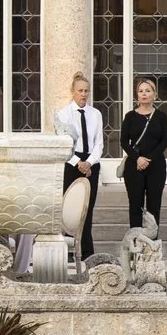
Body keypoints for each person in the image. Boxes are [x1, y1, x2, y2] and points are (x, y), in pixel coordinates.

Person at [51, 73, 103, 261]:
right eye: (80, 90)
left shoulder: (95, 114)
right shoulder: (64, 114)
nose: (83, 94)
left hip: (91, 163)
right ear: (72, 92)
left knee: (87, 208)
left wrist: (89, 163)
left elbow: (99, 143)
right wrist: (78, 163)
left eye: (86, 91)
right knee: (69, 207)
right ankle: (68, 250)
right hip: (72, 162)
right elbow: (62, 142)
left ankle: (87, 251)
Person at [120, 76, 167, 233]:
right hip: (134, 166)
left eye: (148, 91)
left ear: (154, 94)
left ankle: (151, 245)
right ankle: (135, 241)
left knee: (154, 205)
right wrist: (138, 158)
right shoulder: (130, 116)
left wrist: (149, 159)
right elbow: (123, 142)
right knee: (135, 205)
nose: (144, 94)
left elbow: (165, 142)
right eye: (140, 91)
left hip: (156, 166)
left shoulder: (161, 117)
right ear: (137, 95)